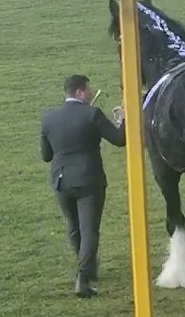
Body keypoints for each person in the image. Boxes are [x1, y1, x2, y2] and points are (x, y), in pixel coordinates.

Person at [40, 74, 126, 297]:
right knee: (89, 230)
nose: (91, 93)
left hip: (61, 180)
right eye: (88, 90)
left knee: (74, 227)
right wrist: (122, 119)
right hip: (89, 180)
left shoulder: (49, 118)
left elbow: (46, 155)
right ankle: (84, 276)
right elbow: (120, 140)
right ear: (79, 91)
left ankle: (86, 266)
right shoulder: (92, 114)